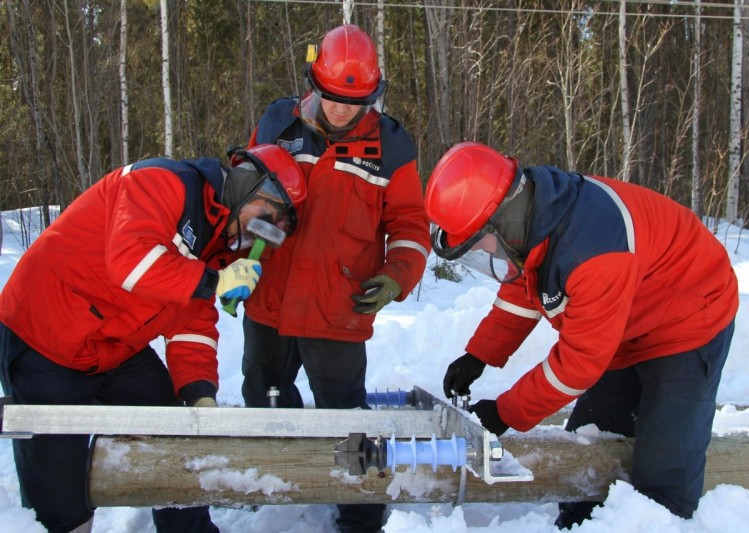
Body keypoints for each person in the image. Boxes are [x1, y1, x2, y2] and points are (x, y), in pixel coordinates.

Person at [424, 141, 739, 528]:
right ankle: (580, 523)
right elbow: (525, 288)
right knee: (593, 439)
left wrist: (504, 412)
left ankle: (660, 519)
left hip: (689, 319)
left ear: (502, 219)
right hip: (623, 320)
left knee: (664, 461)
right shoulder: (536, 221)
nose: (488, 253)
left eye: (480, 242)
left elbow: (577, 366)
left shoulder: (591, 251)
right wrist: (480, 354)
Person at [0, 144, 306, 533]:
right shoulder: (162, 182)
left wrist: (199, 392)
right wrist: (213, 281)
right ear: (246, 184)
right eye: (265, 215)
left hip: (114, 347)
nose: (260, 232)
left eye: (275, 225)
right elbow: (131, 260)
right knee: (56, 480)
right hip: (43, 336)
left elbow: (192, 321)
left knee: (172, 430)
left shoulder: (217, 246)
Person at [242, 24, 430, 532]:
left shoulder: (391, 145)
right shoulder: (279, 123)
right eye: (331, 97)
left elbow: (410, 226)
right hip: (271, 299)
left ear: (374, 93)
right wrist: (246, 257)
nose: (342, 109)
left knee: (347, 414)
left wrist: (396, 276)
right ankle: (278, 481)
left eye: (356, 100)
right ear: (313, 82)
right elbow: (256, 201)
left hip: (338, 305)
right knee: (264, 395)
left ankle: (362, 510)